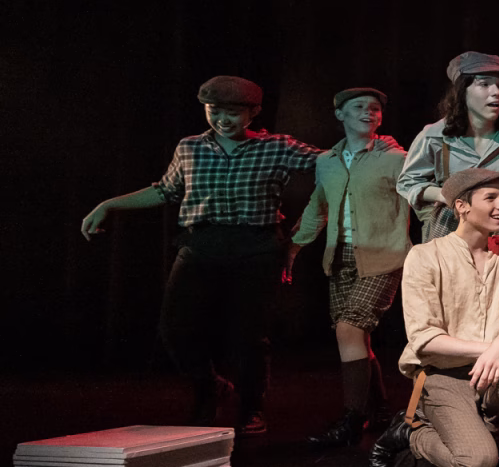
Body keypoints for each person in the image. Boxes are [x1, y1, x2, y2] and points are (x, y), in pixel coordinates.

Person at [81, 76, 321, 434]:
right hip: (202, 242)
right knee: (175, 329)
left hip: (255, 246)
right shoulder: (190, 147)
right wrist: (109, 204)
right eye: (214, 111)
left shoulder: (277, 147)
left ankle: (252, 408)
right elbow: (166, 191)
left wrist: (374, 148)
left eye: (232, 113)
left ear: (253, 112)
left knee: (249, 335)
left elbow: (333, 164)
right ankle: (211, 386)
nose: (223, 119)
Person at [369, 168, 499, 467]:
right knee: (477, 464)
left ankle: (484, 426)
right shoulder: (425, 256)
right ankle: (412, 432)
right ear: (462, 206)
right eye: (490, 198)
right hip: (442, 375)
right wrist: (492, 348)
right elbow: (425, 338)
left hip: (488, 372)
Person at [291, 87, 410, 449]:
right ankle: (380, 410)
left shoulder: (397, 159)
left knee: (350, 327)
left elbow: (421, 202)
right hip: (340, 256)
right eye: (359, 107)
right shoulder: (326, 161)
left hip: (384, 255)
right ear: (340, 114)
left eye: (374, 108)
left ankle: (352, 419)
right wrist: (293, 249)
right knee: (354, 337)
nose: (368, 112)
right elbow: (317, 207)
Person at [398, 52, 499, 242]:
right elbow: (408, 183)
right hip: (452, 227)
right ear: (462, 91)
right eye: (484, 84)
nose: (496, 92)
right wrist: (445, 195)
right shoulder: (435, 136)